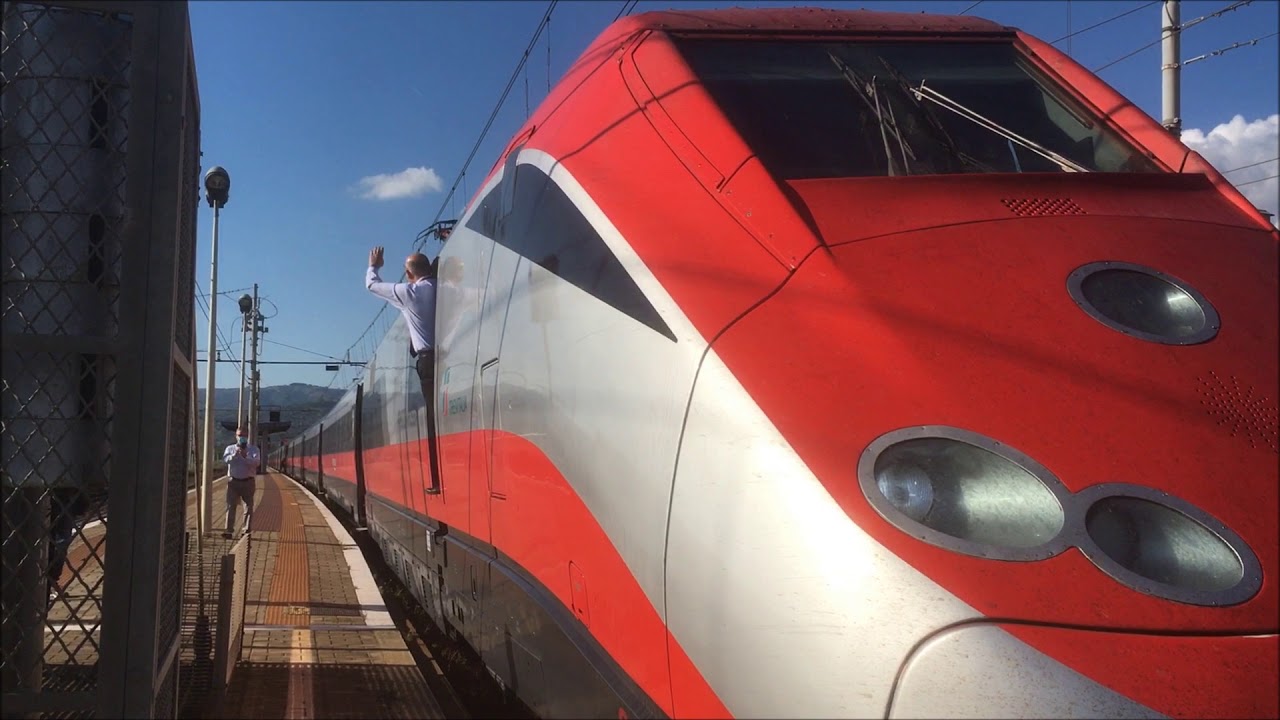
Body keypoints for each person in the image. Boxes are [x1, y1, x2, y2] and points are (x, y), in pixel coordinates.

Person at [366, 245, 441, 491]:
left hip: (429, 360)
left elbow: (372, 285)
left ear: (409, 275)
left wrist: (374, 266)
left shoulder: (409, 292)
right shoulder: (444, 288)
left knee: (432, 415)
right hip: (453, 353)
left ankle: (436, 479)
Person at [223, 427, 260, 538]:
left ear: (247, 437)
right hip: (233, 481)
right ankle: (229, 531)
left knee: (248, 507)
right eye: (239, 435)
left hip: (248, 482)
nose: (241, 438)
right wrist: (235, 455)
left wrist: (245, 457)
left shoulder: (254, 450)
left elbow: (256, 463)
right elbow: (226, 460)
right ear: (236, 436)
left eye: (243, 435)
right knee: (230, 506)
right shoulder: (230, 448)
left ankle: (246, 530)